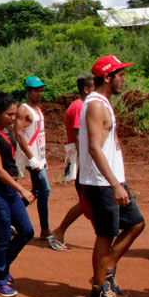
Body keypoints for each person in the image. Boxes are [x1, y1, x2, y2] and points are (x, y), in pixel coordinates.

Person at [79, 55, 145, 297]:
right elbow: (95, 148)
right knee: (106, 235)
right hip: (101, 182)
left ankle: (105, 273)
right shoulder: (95, 104)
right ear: (107, 77)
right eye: (120, 74)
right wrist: (114, 184)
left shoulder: (103, 102)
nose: (123, 79)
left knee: (136, 223)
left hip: (112, 180)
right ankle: (99, 291)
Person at [0, 90, 36, 297]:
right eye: (10, 114)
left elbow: (29, 118)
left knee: (27, 231)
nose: (14, 118)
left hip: (9, 191)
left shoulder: (6, 132)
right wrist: (21, 189)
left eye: (15, 114)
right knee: (3, 235)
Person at [50, 74, 95, 250]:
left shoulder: (82, 106)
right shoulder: (79, 107)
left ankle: (103, 237)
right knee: (87, 202)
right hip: (80, 158)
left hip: (80, 158)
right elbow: (78, 136)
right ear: (86, 90)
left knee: (89, 201)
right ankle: (59, 231)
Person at [15, 76, 51, 244]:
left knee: (37, 191)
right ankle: (45, 229)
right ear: (28, 91)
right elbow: (19, 134)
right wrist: (32, 158)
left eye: (40, 90)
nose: (39, 93)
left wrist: (43, 158)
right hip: (32, 159)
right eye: (36, 90)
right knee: (44, 191)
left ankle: (12, 215)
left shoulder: (37, 109)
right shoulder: (24, 110)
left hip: (39, 158)